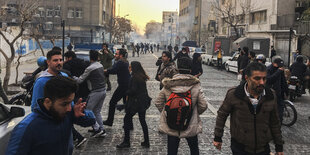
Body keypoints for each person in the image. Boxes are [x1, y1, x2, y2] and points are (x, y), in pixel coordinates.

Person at [6, 76, 96, 155]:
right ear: (48, 102)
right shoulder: (26, 128)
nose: (69, 108)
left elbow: (91, 121)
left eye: (71, 102)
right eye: (64, 104)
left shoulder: (67, 112)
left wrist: (81, 115)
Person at [213, 62, 284, 155]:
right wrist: (218, 137)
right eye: (257, 78)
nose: (262, 82)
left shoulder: (271, 95)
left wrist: (279, 146)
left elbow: (275, 122)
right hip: (240, 147)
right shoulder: (234, 94)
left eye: (264, 78)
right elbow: (222, 115)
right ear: (247, 78)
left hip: (263, 147)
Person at [155, 57, 208, 155]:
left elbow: (158, 102)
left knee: (172, 151)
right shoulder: (195, 85)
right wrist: (193, 112)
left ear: (178, 69)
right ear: (191, 69)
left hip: (171, 123)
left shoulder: (168, 85)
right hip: (190, 123)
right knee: (194, 149)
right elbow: (203, 105)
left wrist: (168, 112)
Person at [117, 61, 151, 149]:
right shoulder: (141, 76)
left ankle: (126, 141)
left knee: (126, 119)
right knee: (142, 121)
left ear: (133, 68)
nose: (129, 68)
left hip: (135, 103)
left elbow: (133, 91)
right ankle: (146, 141)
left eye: (130, 67)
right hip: (142, 102)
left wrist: (126, 91)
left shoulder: (134, 78)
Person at [74, 50, 107, 137]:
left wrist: (72, 77)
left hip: (95, 92)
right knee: (97, 111)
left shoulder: (90, 68)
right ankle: (102, 129)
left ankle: (97, 129)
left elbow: (80, 80)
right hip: (103, 90)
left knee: (88, 110)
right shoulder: (100, 65)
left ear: (90, 57)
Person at [63, 51, 89, 147]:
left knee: (68, 114)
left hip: (74, 90)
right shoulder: (83, 62)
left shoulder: (68, 65)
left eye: (65, 58)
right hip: (85, 89)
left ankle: (77, 137)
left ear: (69, 58)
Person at [103, 49, 131, 126]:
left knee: (112, 102)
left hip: (123, 86)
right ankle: (129, 124)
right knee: (126, 105)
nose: (115, 55)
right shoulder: (125, 61)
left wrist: (105, 71)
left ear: (121, 55)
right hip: (127, 85)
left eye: (117, 54)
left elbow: (113, 70)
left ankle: (109, 121)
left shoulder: (120, 62)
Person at [266, 58, 288, 123]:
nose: (280, 66)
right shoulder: (268, 69)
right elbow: (269, 80)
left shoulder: (280, 70)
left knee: (280, 107)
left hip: (279, 93)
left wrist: (286, 91)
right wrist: (278, 72)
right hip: (270, 93)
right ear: (273, 63)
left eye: (281, 65)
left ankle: (279, 122)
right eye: (278, 65)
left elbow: (283, 81)